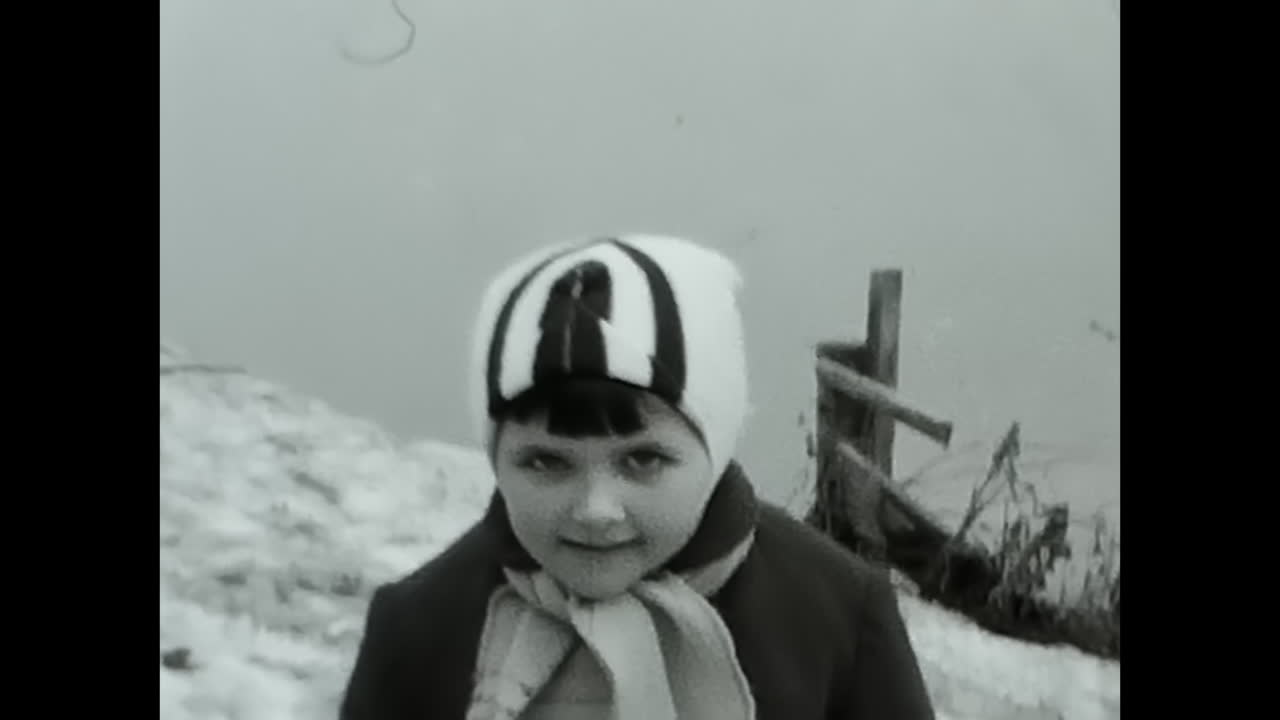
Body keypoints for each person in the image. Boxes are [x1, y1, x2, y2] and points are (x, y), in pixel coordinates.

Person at [338, 234, 936, 719]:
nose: (596, 508)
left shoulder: (837, 615)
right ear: (496, 456)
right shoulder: (420, 626)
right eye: (546, 461)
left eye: (643, 460)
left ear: (715, 443)